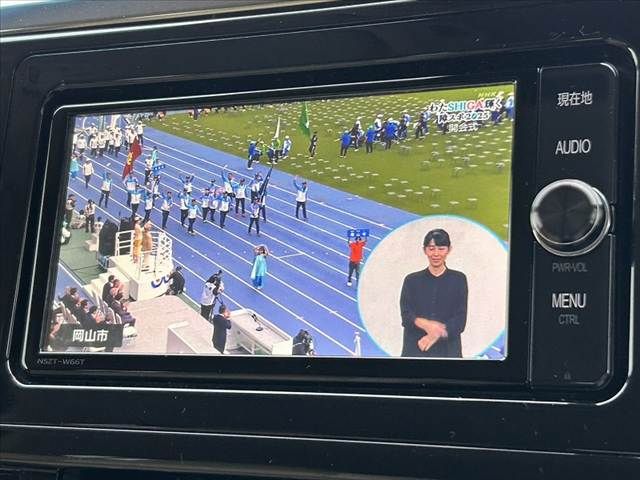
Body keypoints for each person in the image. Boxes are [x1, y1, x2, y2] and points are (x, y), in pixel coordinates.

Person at [400, 229, 468, 358]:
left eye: (441, 249)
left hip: (448, 352)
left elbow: (460, 320)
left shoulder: (459, 279)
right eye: (431, 249)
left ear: (449, 250)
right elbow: (406, 316)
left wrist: (435, 334)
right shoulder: (411, 280)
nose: (436, 254)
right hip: (416, 349)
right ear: (424, 250)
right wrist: (426, 324)